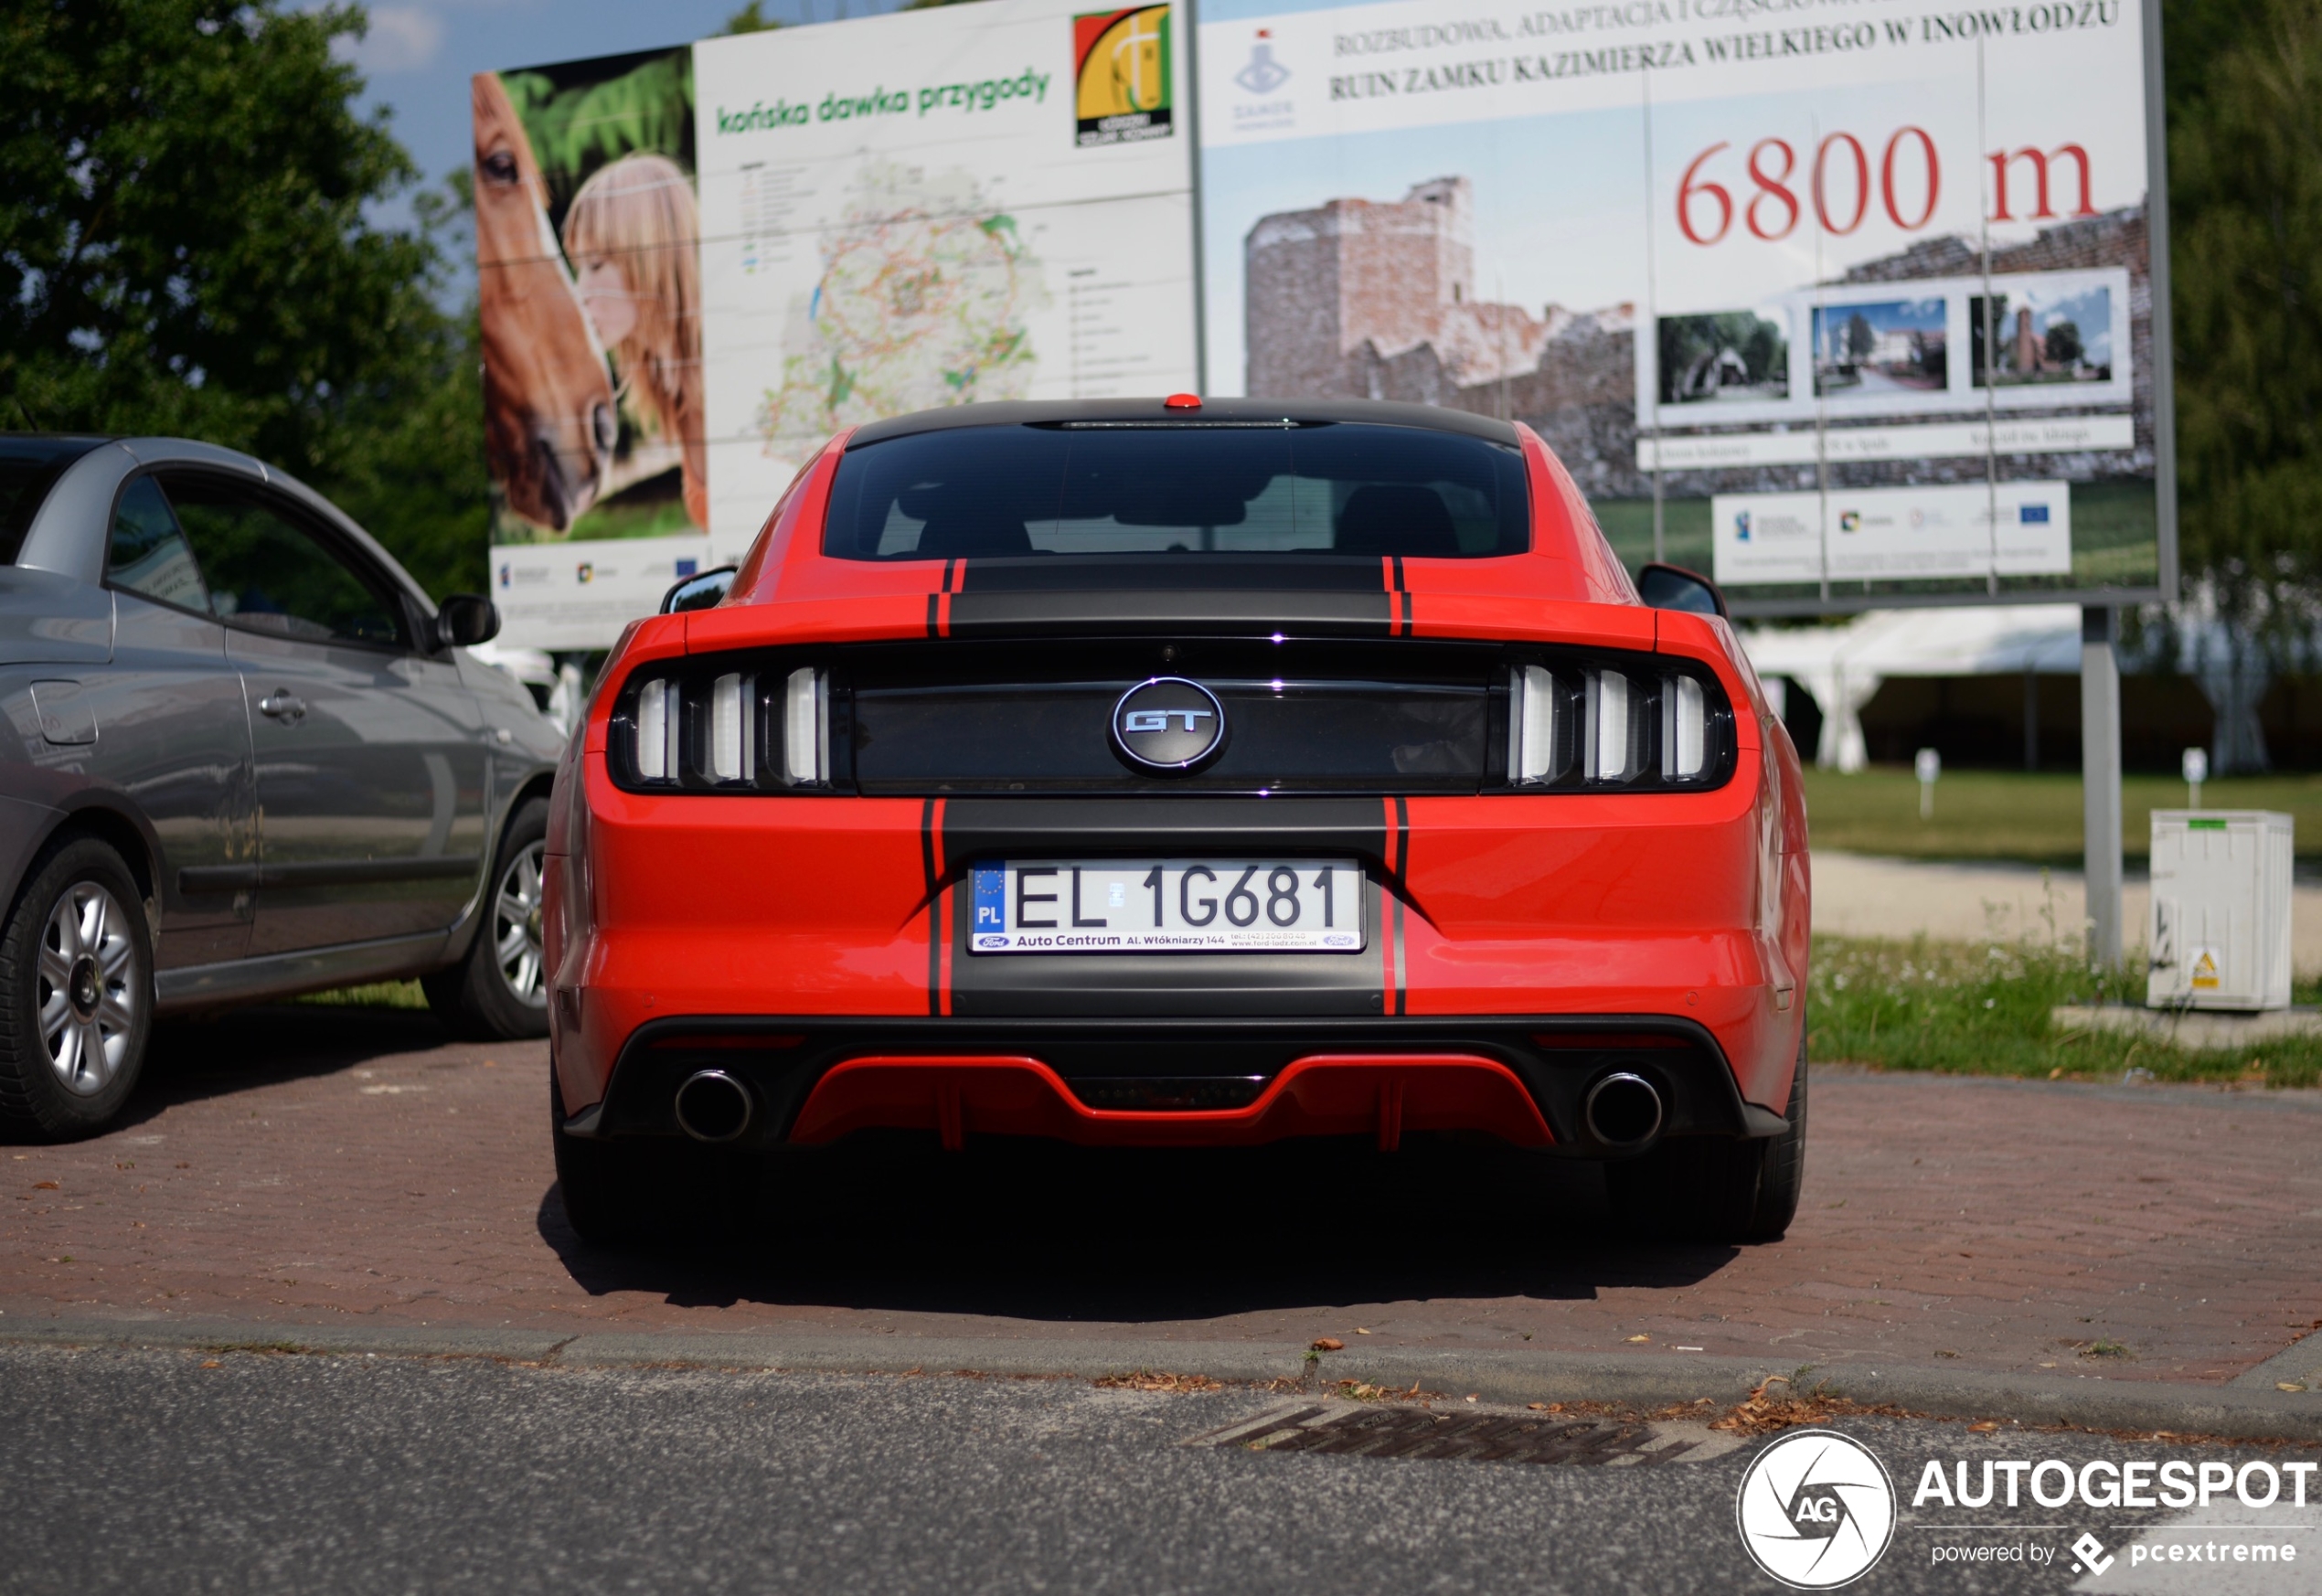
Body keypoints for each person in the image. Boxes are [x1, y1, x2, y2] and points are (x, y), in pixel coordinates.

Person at [562, 153, 708, 529]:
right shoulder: (675, 394)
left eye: (595, 265)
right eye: (580, 270)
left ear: (648, 259)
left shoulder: (723, 378)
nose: (581, 293)